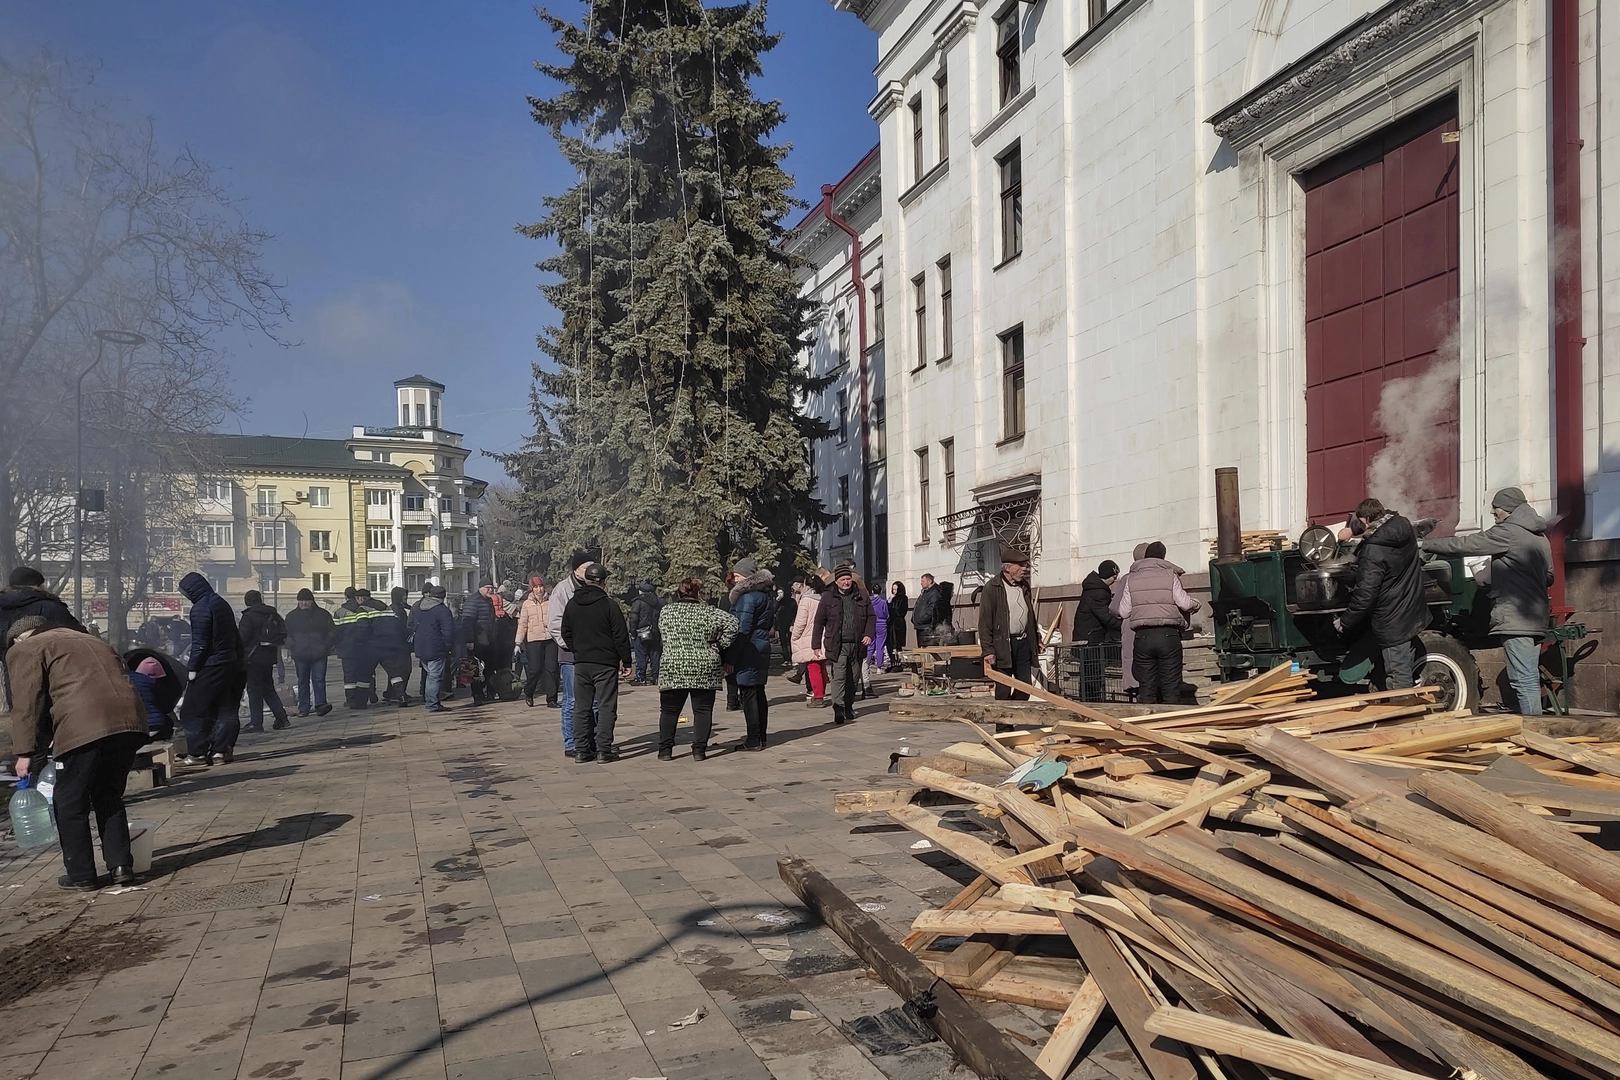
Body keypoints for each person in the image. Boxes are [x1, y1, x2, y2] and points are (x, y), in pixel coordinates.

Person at [8, 616, 151, 889]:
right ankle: (121, 867)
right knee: (108, 795)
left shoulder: (28, 647)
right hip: (129, 722)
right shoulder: (90, 639)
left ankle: (81, 874)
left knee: (69, 801)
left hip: (86, 723)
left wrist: (24, 753)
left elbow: (27, 705)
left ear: (20, 637)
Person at [1420, 487, 1555, 714]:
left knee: (1522, 680)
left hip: (1515, 616)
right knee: (1529, 677)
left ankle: (1534, 729)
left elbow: (1466, 545)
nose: (1493, 512)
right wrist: (1513, 576)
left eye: (1496, 508)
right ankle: (1535, 725)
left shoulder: (1508, 532)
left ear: (1509, 509)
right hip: (1538, 615)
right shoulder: (1540, 536)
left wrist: (1425, 544)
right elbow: (1549, 576)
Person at [1333, 499, 1429, 692]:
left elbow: (1365, 595)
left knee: (1397, 673)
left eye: (1360, 522)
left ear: (1367, 519)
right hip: (1411, 605)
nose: (1360, 525)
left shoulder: (1373, 549)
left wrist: (1345, 621)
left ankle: (1402, 716)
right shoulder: (1404, 527)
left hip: (1391, 617)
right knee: (1403, 666)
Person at [654, 577, 740, 761]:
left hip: (674, 665)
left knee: (669, 710)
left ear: (679, 592)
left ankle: (665, 750)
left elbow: (661, 631)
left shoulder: (667, 611)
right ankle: (699, 750)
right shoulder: (709, 612)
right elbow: (734, 624)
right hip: (704, 665)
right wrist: (718, 645)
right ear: (698, 593)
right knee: (702, 710)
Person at [560, 562, 631, 762]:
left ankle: (582, 750)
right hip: (605, 663)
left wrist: (577, 649)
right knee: (606, 706)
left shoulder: (572, 603)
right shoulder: (609, 605)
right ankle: (603, 750)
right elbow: (620, 635)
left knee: (581, 707)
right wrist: (626, 660)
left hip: (581, 663)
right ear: (603, 582)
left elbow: (565, 631)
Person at [1115, 542, 1200, 704]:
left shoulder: (1132, 578)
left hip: (1142, 637)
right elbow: (1184, 604)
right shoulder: (1170, 575)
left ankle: (1146, 724)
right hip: (1168, 636)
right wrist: (1196, 604)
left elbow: (1123, 611)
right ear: (1163, 557)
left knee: (1146, 688)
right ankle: (1170, 724)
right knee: (1170, 687)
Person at [176, 573, 244, 766]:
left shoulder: (200, 608)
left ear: (192, 590)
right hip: (228, 663)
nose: (185, 596)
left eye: (185, 593)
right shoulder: (221, 603)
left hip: (211, 664)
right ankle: (220, 752)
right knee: (224, 708)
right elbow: (234, 635)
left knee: (191, 710)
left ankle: (197, 754)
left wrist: (193, 668)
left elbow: (200, 643)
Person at [724, 557, 777, 749]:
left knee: (748, 693)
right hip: (761, 645)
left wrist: (731, 657)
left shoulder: (747, 598)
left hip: (749, 649)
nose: (735, 580)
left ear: (747, 577)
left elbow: (742, 629)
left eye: (738, 576)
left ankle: (753, 738)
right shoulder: (765, 595)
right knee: (758, 691)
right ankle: (760, 736)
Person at [813, 564, 873, 726]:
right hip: (837, 644)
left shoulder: (861, 595)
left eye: (848, 579)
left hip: (857, 643)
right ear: (837, 581)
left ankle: (848, 705)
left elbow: (871, 617)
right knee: (839, 676)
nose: (846, 582)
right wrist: (816, 644)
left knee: (853, 679)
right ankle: (838, 707)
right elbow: (819, 622)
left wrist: (868, 634)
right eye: (843, 579)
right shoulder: (828, 597)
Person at [978, 546, 1037, 700]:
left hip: (1023, 644)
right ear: (1008, 568)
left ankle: (1013, 715)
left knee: (1025, 688)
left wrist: (1037, 639)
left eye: (1025, 565)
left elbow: (1030, 615)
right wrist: (988, 650)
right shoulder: (992, 588)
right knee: (1003, 690)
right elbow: (984, 621)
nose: (1024, 569)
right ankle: (1004, 724)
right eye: (1021, 565)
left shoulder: (1024, 586)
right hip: (1002, 645)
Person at [548, 554, 592, 756]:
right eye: (586, 567)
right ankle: (571, 743)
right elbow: (555, 625)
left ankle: (590, 740)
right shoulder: (562, 590)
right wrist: (573, 646)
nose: (590, 571)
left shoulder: (594, 587)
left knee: (594, 701)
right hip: (571, 655)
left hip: (592, 655)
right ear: (576, 570)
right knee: (572, 700)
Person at [237, 590, 289, 733]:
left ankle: (256, 723)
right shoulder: (272, 613)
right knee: (268, 689)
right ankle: (282, 718)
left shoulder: (249, 617)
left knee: (254, 691)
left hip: (253, 658)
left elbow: (243, 638)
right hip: (269, 657)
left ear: (248, 601)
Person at [285, 589, 335, 717]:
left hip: (319, 653)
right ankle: (303, 708)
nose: (304, 603)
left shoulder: (323, 615)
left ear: (312, 601)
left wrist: (325, 645)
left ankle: (321, 705)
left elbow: (332, 632)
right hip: (300, 654)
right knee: (303, 681)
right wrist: (293, 646)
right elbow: (287, 635)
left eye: (306, 600)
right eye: (301, 601)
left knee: (319, 680)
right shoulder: (292, 617)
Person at [412, 584, 456, 712]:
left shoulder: (419, 608)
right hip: (436, 648)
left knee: (430, 675)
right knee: (435, 676)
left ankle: (429, 700)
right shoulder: (442, 610)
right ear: (443, 597)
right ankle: (432, 703)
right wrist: (448, 647)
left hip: (420, 647)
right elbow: (448, 632)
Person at [1114, 543, 1150, 697]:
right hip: (1153, 625)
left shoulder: (1127, 578)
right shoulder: (1164, 575)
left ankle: (1135, 690)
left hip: (1130, 624)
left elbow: (1116, 607)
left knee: (1132, 658)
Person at [333, 587, 376, 709]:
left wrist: (337, 646)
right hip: (364, 647)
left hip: (347, 649)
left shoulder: (339, 612)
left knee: (350, 676)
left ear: (346, 596)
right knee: (365, 673)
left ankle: (351, 700)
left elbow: (335, 632)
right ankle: (367, 695)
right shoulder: (364, 608)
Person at [790, 577, 827, 707]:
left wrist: (794, 635)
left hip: (808, 637)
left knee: (813, 667)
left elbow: (800, 622)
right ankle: (820, 693)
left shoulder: (806, 600)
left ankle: (818, 696)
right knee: (821, 666)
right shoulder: (823, 598)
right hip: (823, 635)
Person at [516, 577, 552, 707]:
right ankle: (529, 692)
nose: (539, 589)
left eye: (540, 586)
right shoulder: (527, 604)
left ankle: (551, 698)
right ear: (532, 589)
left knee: (552, 669)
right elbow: (522, 624)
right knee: (535, 669)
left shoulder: (550, 601)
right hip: (534, 640)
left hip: (550, 639)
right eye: (536, 587)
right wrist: (517, 643)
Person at [1074, 561, 1122, 645]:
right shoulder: (1098, 592)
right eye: (1114, 577)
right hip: (1090, 636)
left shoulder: (1096, 588)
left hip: (1088, 634)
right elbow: (1106, 616)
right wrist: (1122, 625)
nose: (1115, 580)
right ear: (1106, 576)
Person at [628, 581, 663, 685]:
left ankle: (641, 678)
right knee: (655, 655)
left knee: (641, 655)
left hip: (641, 632)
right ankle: (656, 677)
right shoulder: (659, 602)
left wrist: (632, 632)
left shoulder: (638, 602)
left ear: (641, 591)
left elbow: (633, 618)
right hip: (656, 633)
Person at [128, 656, 172, 737]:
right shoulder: (153, 683)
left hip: (134, 728)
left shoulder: (123, 680)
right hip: (156, 725)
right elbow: (166, 706)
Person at [864, 579, 889, 699]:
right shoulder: (883, 602)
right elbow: (886, 614)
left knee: (870, 646)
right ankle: (879, 667)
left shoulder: (868, 601)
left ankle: (867, 665)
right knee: (880, 646)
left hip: (871, 624)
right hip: (881, 625)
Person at [887, 582, 909, 666]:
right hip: (891, 622)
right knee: (890, 643)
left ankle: (899, 661)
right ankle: (892, 660)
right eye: (893, 589)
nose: (894, 591)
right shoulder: (892, 598)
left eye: (896, 589)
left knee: (897, 643)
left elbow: (900, 611)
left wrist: (893, 609)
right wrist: (889, 601)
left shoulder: (903, 598)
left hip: (898, 623)